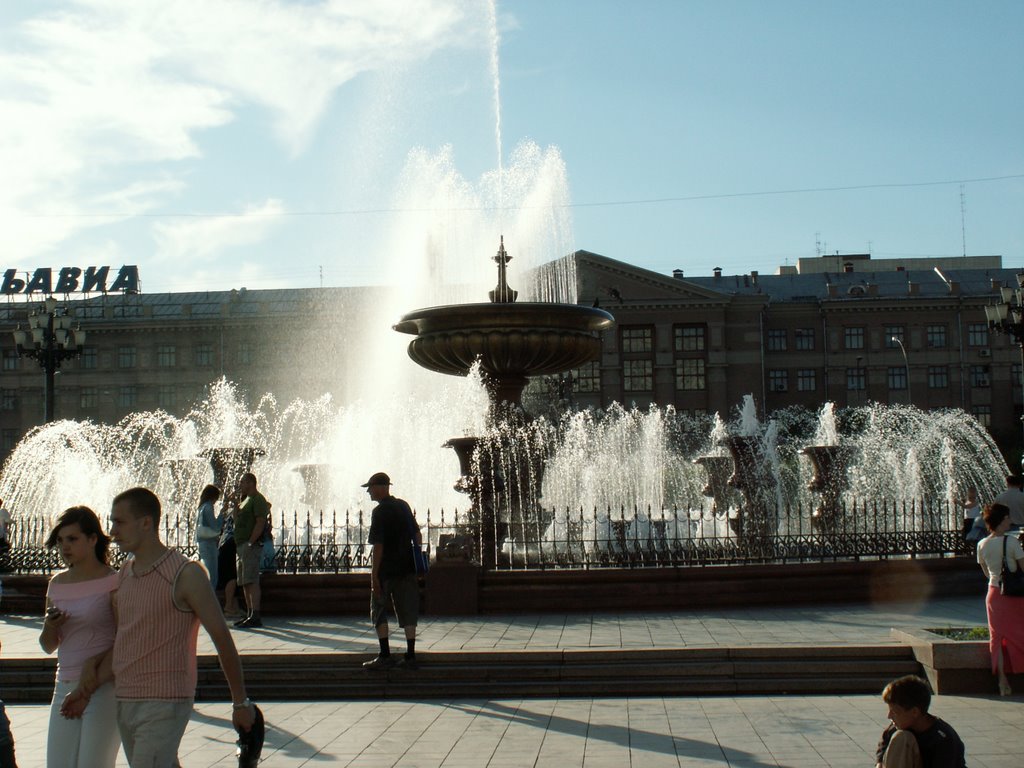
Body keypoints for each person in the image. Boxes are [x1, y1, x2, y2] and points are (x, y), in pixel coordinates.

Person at [61, 487, 257, 766]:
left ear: (146, 523)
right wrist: (84, 692)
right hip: (126, 699)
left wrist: (240, 703)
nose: (112, 531)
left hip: (165, 699)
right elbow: (125, 643)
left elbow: (222, 639)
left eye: (119, 522)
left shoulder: (185, 574)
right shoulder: (125, 575)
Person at [39, 506, 120, 767]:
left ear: (93, 539)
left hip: (103, 685)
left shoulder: (114, 581)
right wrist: (51, 626)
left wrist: (91, 678)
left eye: (72, 539)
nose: (65, 547)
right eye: (61, 540)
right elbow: (47, 645)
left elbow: (125, 638)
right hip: (64, 683)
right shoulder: (57, 583)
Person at [361, 471, 422, 670]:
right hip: (407, 568)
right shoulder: (403, 506)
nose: (369, 492)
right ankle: (410, 656)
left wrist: (374, 575)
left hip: (386, 570)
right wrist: (415, 556)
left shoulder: (379, 512)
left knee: (378, 609)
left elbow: (378, 546)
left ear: (381, 487)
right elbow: (417, 534)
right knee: (408, 610)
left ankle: (385, 655)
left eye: (370, 488)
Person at [976, 502, 1024, 696]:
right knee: (1019, 634)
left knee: (998, 638)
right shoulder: (1012, 543)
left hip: (994, 594)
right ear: (1001, 520)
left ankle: (1002, 681)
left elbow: (986, 573)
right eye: (1008, 518)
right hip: (1014, 596)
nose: (1010, 521)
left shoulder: (982, 544)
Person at [874, 675, 965, 768]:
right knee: (901, 737)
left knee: (903, 737)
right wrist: (880, 762)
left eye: (894, 712)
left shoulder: (943, 738)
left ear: (914, 712)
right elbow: (885, 741)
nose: (889, 716)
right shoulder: (901, 725)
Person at [233, 473, 269, 629]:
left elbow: (260, 523)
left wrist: (250, 542)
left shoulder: (257, 500)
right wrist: (235, 506)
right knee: (245, 581)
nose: (240, 485)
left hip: (250, 546)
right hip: (241, 545)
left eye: (242, 482)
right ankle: (249, 613)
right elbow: (237, 520)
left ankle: (255, 615)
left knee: (252, 580)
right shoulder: (245, 500)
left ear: (251, 482)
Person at [194, 484, 223, 587]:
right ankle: (210, 597)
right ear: (213, 496)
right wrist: (222, 515)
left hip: (201, 543)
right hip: (209, 544)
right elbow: (215, 526)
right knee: (212, 576)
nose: (216, 501)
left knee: (206, 572)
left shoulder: (200, 507)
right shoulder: (208, 506)